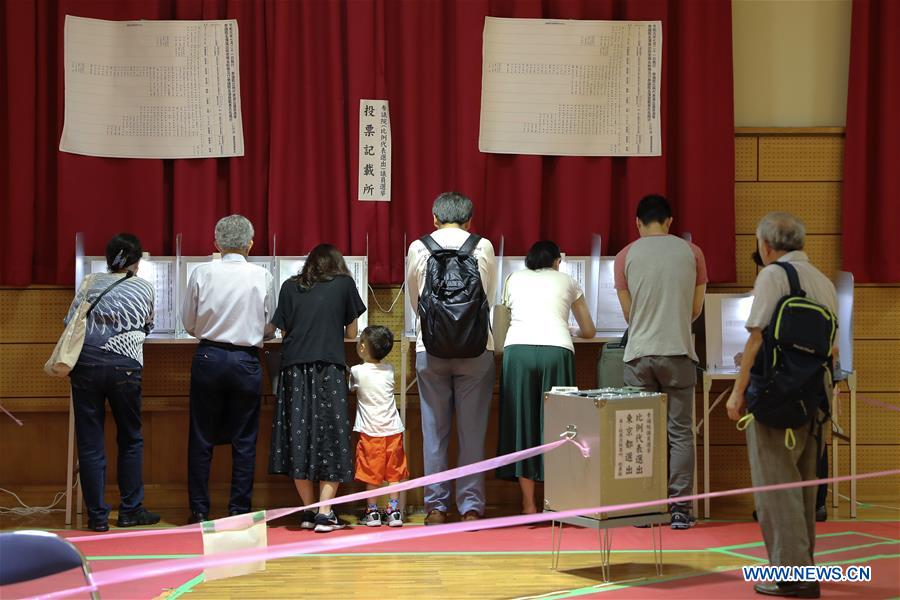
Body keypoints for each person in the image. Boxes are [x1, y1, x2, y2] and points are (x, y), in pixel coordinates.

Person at [726, 212, 837, 599]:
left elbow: (756, 338)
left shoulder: (773, 275)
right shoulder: (822, 280)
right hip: (815, 396)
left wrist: (737, 393)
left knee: (776, 486)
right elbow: (832, 347)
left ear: (766, 245)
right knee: (804, 487)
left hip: (775, 397)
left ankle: (791, 577)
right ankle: (804, 570)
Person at [614, 194, 708, 530]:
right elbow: (695, 310)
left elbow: (628, 314)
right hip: (679, 351)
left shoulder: (625, 255)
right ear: (670, 222)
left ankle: (644, 508)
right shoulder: (692, 253)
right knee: (680, 433)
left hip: (639, 354)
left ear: (638, 223)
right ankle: (680, 508)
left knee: (641, 431)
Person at [406, 191, 497, 524]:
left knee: (434, 430)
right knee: (473, 432)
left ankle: (436, 507)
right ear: (469, 219)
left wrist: (435, 326)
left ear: (434, 217)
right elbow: (488, 294)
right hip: (476, 349)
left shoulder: (419, 247)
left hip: (430, 349)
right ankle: (471, 507)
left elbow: (416, 300)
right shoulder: (482, 245)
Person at [181, 215, 274, 524]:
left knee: (201, 436)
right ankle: (239, 509)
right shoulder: (262, 275)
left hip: (208, 357)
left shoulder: (201, 272)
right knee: (244, 439)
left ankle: (199, 510)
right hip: (246, 360)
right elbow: (269, 325)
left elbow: (189, 323)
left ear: (216, 243)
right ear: (250, 243)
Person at [65, 233, 160, 532]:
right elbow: (148, 323)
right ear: (136, 261)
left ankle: (97, 517)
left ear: (108, 259)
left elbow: (69, 322)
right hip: (125, 368)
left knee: (90, 443)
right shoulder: (144, 287)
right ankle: (130, 510)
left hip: (86, 365)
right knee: (130, 438)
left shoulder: (90, 283)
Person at [269, 244, 366, 533]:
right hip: (329, 369)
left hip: (294, 370)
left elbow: (283, 332)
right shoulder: (345, 284)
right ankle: (326, 512)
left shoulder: (289, 286)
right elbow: (352, 332)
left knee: (297, 439)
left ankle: (309, 510)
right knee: (332, 438)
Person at [496, 241, 596, 514]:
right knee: (558, 425)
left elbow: (503, 318)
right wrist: (570, 329)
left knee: (522, 425)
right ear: (557, 261)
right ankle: (556, 500)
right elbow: (589, 330)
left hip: (518, 352)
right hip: (556, 350)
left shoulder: (513, 278)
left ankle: (528, 503)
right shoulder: (568, 281)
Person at [350, 325, 408, 527]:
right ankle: (393, 511)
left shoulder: (356, 371)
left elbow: (351, 386)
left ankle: (372, 512)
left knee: (371, 473)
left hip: (370, 432)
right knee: (394, 473)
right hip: (393, 430)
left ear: (363, 347)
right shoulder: (389, 370)